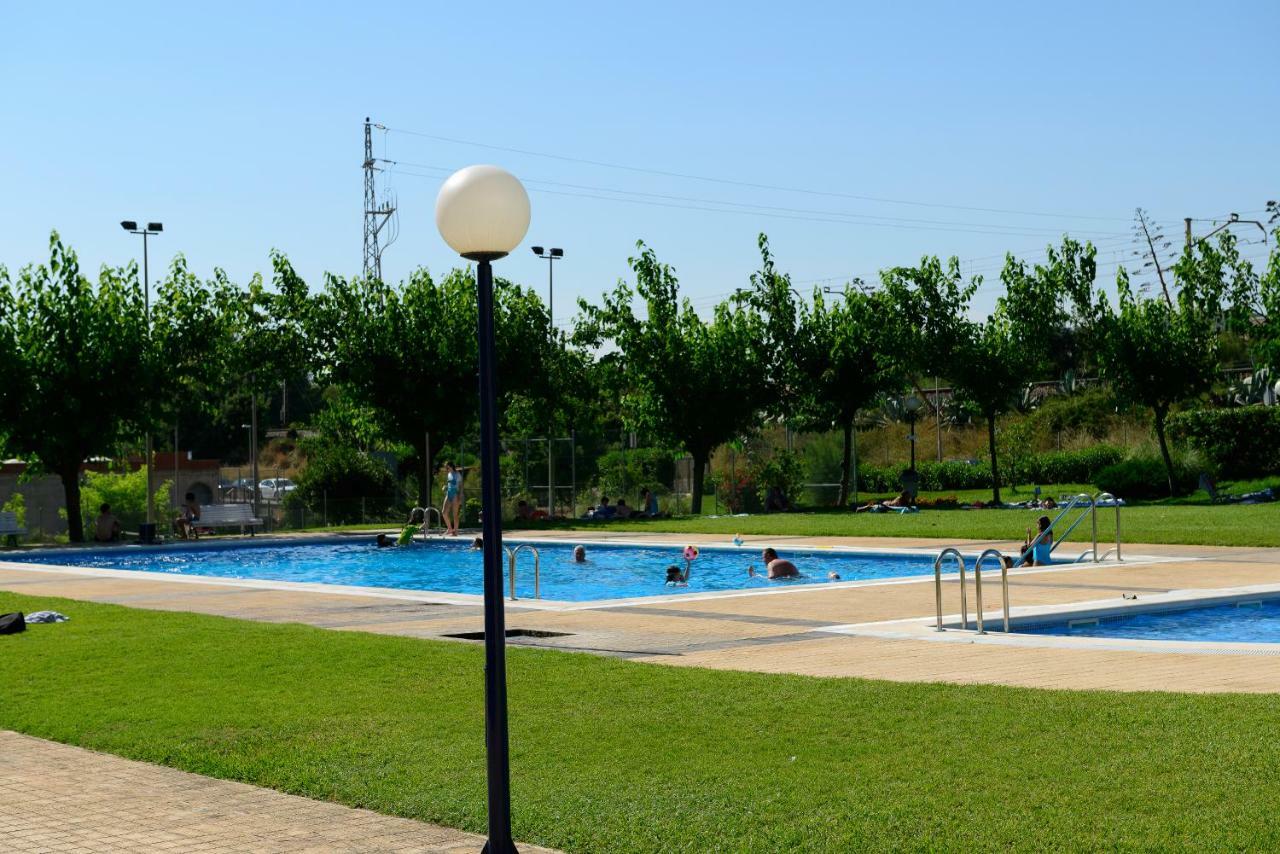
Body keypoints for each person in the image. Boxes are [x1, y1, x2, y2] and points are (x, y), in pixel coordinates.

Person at [441, 462, 463, 536]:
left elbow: (460, 486)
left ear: (450, 466)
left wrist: (460, 498)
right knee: (444, 512)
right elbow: (450, 484)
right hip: (449, 493)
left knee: (455, 514)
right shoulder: (449, 474)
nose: (446, 469)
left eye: (447, 467)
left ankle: (455, 531)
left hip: (455, 494)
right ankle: (450, 529)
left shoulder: (458, 474)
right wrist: (445, 487)